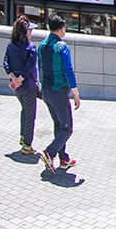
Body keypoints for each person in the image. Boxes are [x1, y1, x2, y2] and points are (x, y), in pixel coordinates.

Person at [38, 14, 81, 173]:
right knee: (67, 128)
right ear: (62, 28)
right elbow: (68, 70)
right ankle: (49, 153)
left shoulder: (42, 45)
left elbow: (39, 68)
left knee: (58, 125)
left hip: (46, 91)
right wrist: (75, 93)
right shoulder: (62, 47)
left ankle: (64, 159)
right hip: (58, 91)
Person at [3, 16, 40, 155]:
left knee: (24, 110)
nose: (31, 32)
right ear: (25, 32)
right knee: (30, 115)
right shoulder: (31, 47)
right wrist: (20, 79)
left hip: (17, 86)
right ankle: (27, 145)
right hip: (28, 85)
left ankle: (23, 137)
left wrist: (13, 78)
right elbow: (29, 66)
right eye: (30, 30)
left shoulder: (10, 46)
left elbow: (5, 62)